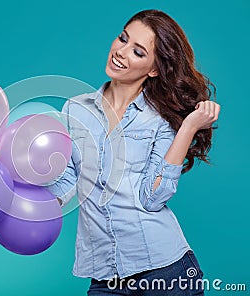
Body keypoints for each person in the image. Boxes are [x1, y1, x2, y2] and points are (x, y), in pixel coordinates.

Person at [46, 9, 220, 295]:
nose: (121, 52)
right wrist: (24, 178)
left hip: (165, 273)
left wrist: (187, 128)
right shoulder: (74, 109)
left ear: (153, 69)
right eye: (123, 38)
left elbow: (153, 198)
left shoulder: (160, 119)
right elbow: (67, 185)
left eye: (137, 52)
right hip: (105, 276)